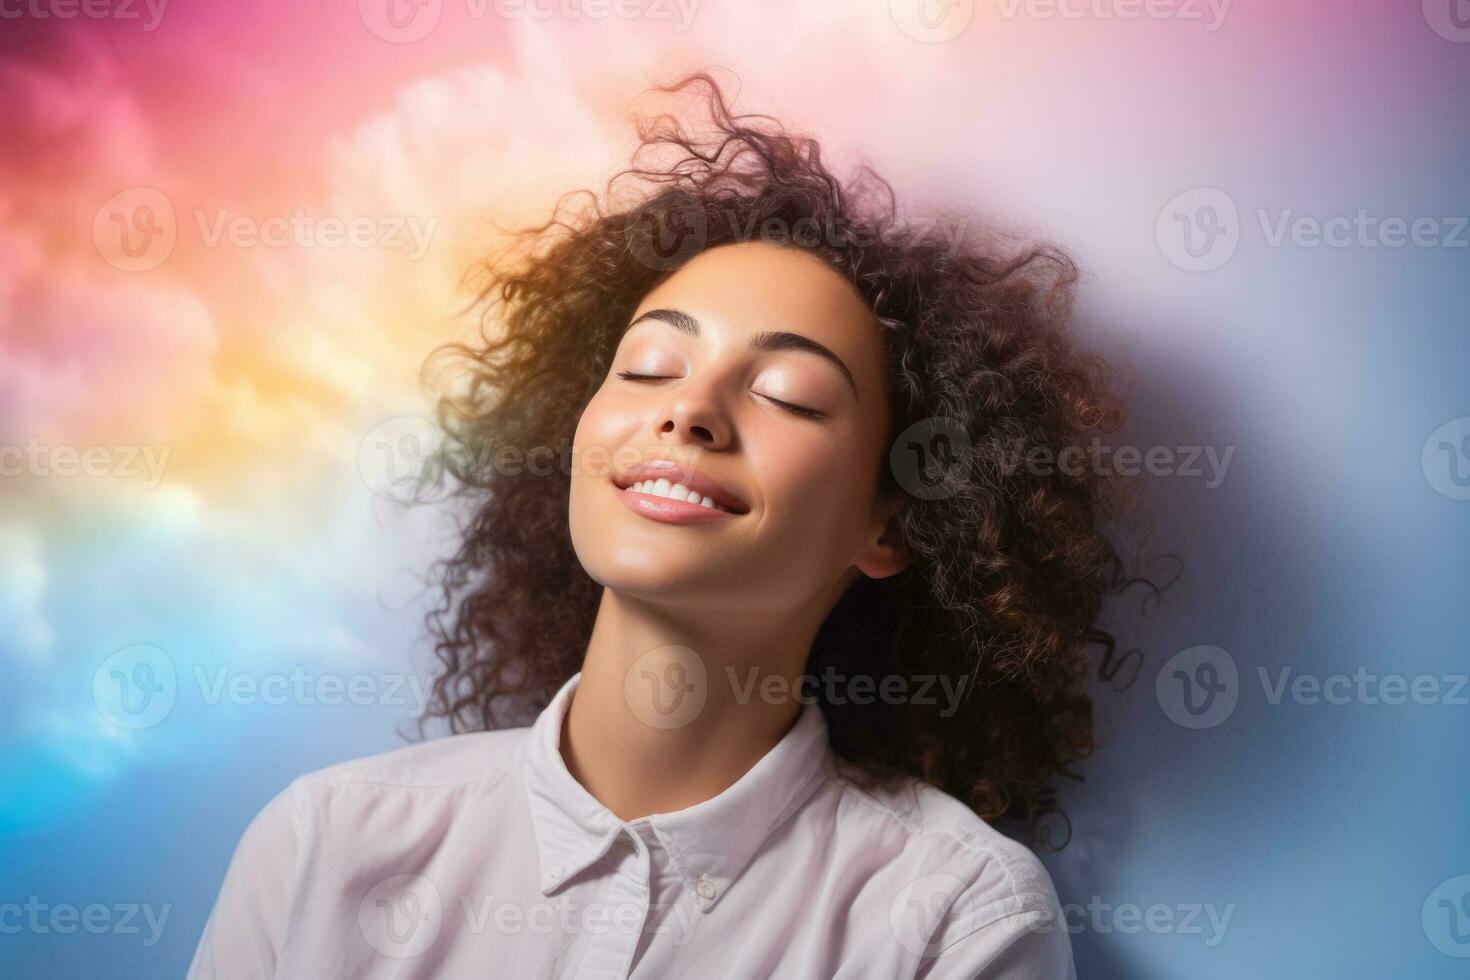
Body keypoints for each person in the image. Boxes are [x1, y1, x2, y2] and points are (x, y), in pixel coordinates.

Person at [188, 71, 1137, 979]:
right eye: (647, 366)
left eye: (788, 394)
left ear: (890, 527)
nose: (688, 411)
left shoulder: (952, 917)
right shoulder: (323, 844)